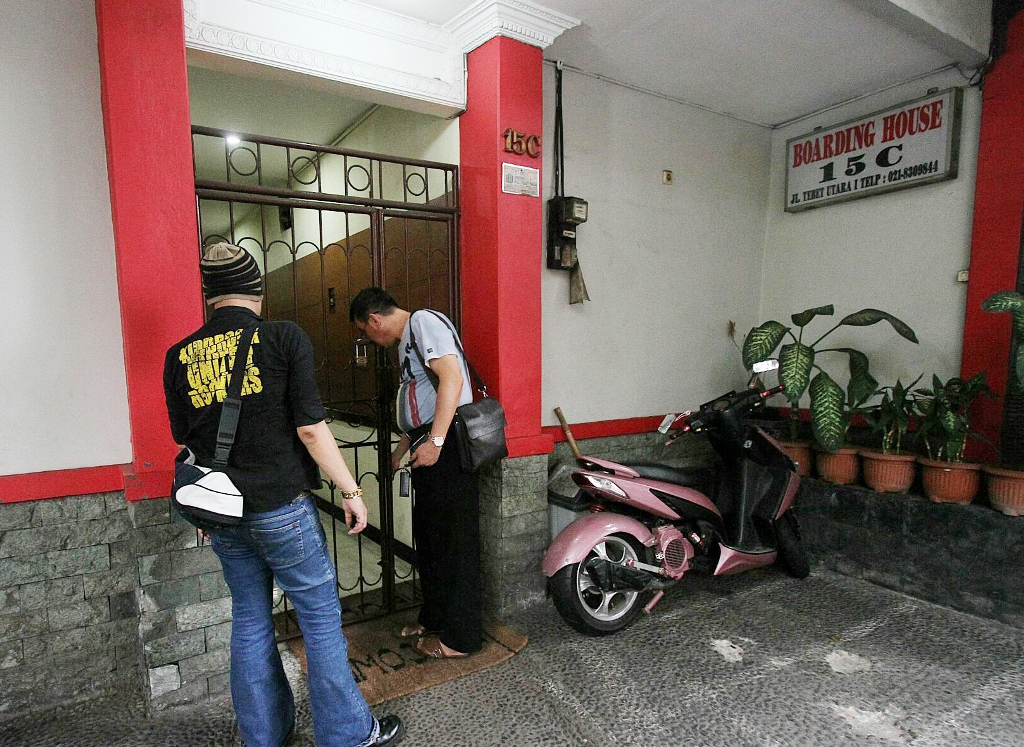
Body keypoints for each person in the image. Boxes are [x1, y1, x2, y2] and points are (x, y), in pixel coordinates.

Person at [163, 243, 403, 747]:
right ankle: (347, 734)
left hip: (224, 514)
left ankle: (264, 736)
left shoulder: (179, 356)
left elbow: (186, 439)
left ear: (210, 296)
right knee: (318, 619)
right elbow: (311, 429)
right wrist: (351, 490)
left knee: (251, 619)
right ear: (257, 290)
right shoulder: (281, 337)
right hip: (282, 509)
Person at [349, 287, 482, 658]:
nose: (368, 339)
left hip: (447, 445)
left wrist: (436, 442)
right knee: (432, 540)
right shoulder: (408, 339)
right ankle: (435, 617)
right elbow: (421, 400)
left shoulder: (423, 322)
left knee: (454, 543)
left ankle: (461, 639)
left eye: (364, 331)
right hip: (428, 444)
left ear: (373, 320)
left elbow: (452, 379)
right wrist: (401, 451)